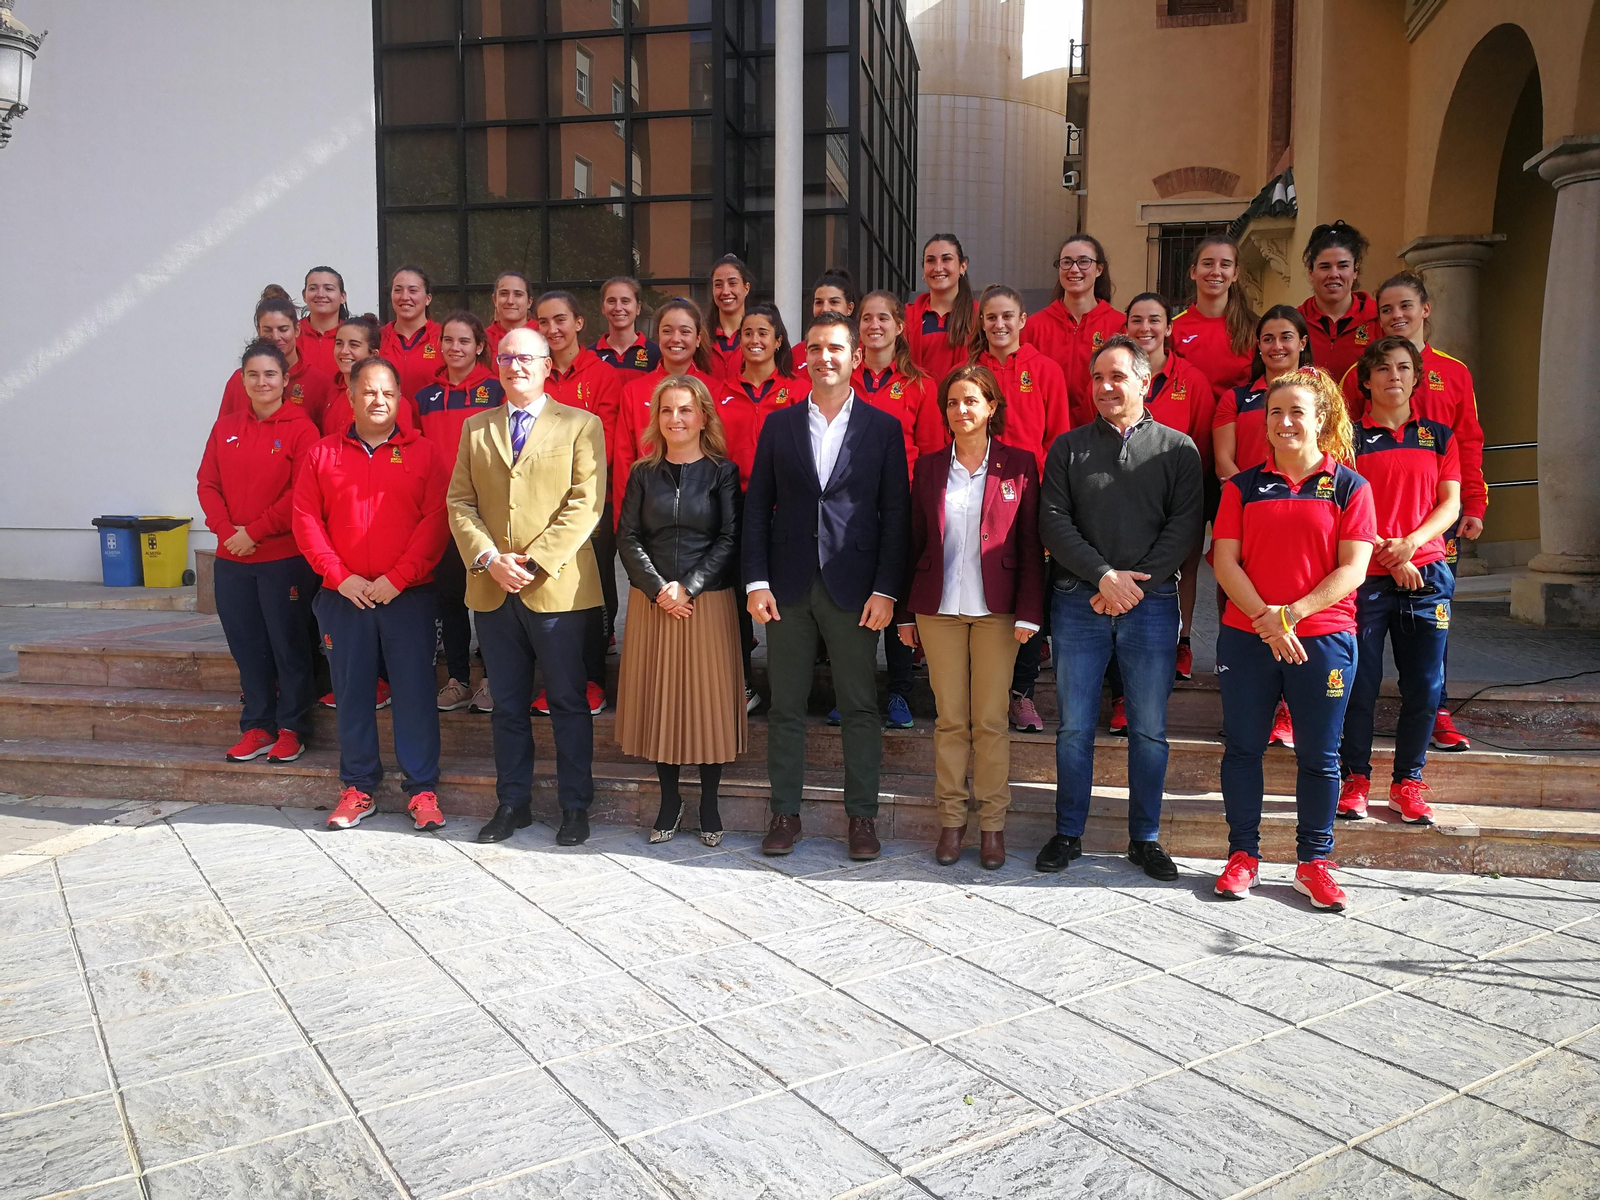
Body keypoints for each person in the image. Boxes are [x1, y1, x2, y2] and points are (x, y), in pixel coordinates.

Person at [1034, 335, 1203, 880]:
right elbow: (1053, 522)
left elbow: (1184, 529)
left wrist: (1135, 586)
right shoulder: (1068, 448)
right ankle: (1068, 832)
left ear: (1144, 381)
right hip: (1079, 601)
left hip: (1151, 606)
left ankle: (1145, 838)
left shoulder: (1178, 449)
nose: (1106, 387)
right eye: (1098, 378)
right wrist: (1104, 577)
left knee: (1149, 728)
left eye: (1118, 377)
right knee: (1075, 727)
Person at [745, 312, 910, 862]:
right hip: (788, 585)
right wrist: (757, 581)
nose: (824, 357)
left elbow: (896, 516)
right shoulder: (779, 425)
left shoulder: (883, 428)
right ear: (804, 358)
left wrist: (888, 589)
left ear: (854, 356)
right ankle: (784, 813)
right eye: (814, 347)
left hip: (855, 587)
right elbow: (755, 511)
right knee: (785, 706)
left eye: (835, 347)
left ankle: (861, 818)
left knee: (860, 706)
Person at [1211, 368, 1374, 912]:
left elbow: (1352, 569)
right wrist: (1266, 618)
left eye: (1297, 411)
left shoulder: (1351, 486)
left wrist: (1293, 615)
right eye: (1275, 413)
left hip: (1323, 639)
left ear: (1321, 418)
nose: (1284, 422)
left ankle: (1314, 863)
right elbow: (1226, 561)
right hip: (1247, 636)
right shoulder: (1242, 486)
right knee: (1242, 748)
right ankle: (1243, 857)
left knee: (1322, 757)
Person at [448, 326, 606, 847]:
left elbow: (586, 503)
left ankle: (574, 807)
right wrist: (490, 558)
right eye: (508, 357)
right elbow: (460, 503)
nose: (517, 366)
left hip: (556, 589)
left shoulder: (581, 425)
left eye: (527, 359)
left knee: (566, 700)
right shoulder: (476, 428)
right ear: (497, 365)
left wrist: (535, 562)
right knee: (508, 705)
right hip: (493, 589)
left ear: (546, 366)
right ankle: (512, 803)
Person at [292, 356, 452, 834]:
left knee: (415, 694)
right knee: (353, 694)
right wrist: (340, 577)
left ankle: (421, 789)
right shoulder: (322, 454)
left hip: (407, 597)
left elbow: (436, 520)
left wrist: (399, 577)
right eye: (369, 391)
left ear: (399, 399)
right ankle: (358, 787)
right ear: (351, 395)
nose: (379, 400)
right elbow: (306, 520)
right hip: (345, 598)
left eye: (388, 392)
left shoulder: (424, 454)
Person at [897, 365, 1043, 870]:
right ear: (945, 413)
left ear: (992, 408)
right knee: (950, 720)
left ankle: (994, 828)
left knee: (990, 721)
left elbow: (1028, 546)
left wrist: (1029, 612)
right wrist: (904, 611)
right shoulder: (931, 468)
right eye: (954, 402)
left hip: (997, 613)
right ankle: (952, 821)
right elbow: (913, 540)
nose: (963, 409)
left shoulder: (1020, 465)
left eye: (972, 401)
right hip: (937, 609)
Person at [1340, 270, 1487, 752]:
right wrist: (1387, 550)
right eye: (1386, 309)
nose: (1396, 315)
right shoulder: (1355, 402)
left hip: (1429, 540)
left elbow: (1468, 442)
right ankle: (1354, 774)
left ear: (1425, 309)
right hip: (1370, 551)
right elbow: (1344, 484)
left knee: (1425, 666)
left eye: (1405, 306)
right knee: (1361, 674)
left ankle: (1435, 720)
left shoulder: (1455, 373)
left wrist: (1474, 502)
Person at [616, 375, 747, 845]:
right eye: (667, 411)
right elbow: (627, 537)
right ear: (657, 419)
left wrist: (688, 587)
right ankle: (670, 800)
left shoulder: (721, 472)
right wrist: (659, 590)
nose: (676, 419)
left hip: (706, 602)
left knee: (706, 703)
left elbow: (731, 538)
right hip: (655, 605)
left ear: (703, 416)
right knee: (663, 702)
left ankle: (709, 801)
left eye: (686, 410)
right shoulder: (641, 473)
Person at [1338, 337, 1460, 826]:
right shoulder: (1348, 438)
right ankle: (1356, 779)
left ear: (1416, 378)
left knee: (1425, 686)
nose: (1393, 376)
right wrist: (1391, 553)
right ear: (1365, 380)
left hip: (1427, 574)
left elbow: (1449, 504)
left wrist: (1410, 544)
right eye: (1383, 368)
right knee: (1359, 685)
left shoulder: (1438, 436)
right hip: (1365, 576)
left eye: (1403, 368)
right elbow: (1342, 507)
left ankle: (1408, 781)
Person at [198, 341, 322, 765]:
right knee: (246, 647)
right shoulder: (226, 427)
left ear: (286, 380)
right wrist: (226, 532)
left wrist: (255, 531)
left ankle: (292, 728)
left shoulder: (302, 428)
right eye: (253, 374)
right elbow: (207, 484)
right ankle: (257, 726)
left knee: (288, 646)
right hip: (232, 561)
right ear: (243, 380)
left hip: (282, 559)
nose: (262, 382)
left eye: (270, 374)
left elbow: (301, 493)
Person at [965, 284, 1071, 736]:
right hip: (977, 499)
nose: (999, 324)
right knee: (979, 588)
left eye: (1008, 315)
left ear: (1024, 319)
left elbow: (1058, 438)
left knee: (1030, 597)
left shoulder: (1046, 370)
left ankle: (1021, 693)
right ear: (982, 322)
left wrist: (1050, 497)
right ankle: (976, 690)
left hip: (1031, 499)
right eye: (991, 317)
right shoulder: (970, 373)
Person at [1213, 305, 1315, 749]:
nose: (1277, 346)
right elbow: (1223, 461)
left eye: (1286, 337)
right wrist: (1255, 498)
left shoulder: (1321, 397)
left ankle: (1289, 713)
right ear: (1258, 345)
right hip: (1247, 516)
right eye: (1268, 338)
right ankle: (1247, 709)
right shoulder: (1236, 398)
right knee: (1240, 611)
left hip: (1307, 516)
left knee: (1298, 610)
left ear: (1302, 342)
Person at [856, 289, 947, 729]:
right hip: (848, 511)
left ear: (899, 326)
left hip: (901, 510)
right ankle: (850, 693)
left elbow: (931, 454)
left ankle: (899, 693)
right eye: (866, 318)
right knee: (852, 602)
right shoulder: (840, 381)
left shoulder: (920, 385)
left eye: (883, 318)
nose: (874, 325)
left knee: (897, 603)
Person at [535, 291, 623, 716]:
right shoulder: (533, 374)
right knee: (545, 588)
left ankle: (592, 680)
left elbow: (601, 441)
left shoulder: (603, 375)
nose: (553, 329)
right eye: (544, 322)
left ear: (579, 323)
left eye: (560, 320)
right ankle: (554, 680)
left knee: (593, 588)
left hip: (589, 501)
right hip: (538, 502)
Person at [415, 310, 505, 716]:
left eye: (464, 341)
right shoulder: (424, 397)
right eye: (448, 340)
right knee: (449, 598)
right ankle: (458, 679)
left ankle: (490, 678)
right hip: (441, 512)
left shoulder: (497, 390)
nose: (454, 348)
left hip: (484, 513)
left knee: (489, 596)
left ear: (480, 346)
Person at [1123, 292, 1214, 691]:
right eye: (1137, 321)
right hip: (1129, 496)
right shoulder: (1118, 374)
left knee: (1185, 567)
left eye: (1154, 320)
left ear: (1169, 328)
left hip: (1180, 494)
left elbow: (1204, 444)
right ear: (1125, 328)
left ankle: (1183, 640)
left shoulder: (1191, 379)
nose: (1146, 328)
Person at [1021, 234, 1127, 428]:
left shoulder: (1119, 325)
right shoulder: (1033, 326)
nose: (1074, 269)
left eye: (1083, 262)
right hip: (1047, 434)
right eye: (1067, 262)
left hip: (1102, 433)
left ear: (1099, 269)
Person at [218, 295, 331, 428]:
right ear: (258, 331)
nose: (276, 337)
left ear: (297, 330)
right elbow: (224, 432)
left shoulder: (320, 383)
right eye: (268, 330)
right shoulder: (239, 380)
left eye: (283, 329)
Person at [1171, 236, 1256, 403]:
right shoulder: (1173, 328)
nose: (1216, 271)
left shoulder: (1254, 328)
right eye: (1208, 264)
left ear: (1235, 274)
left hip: (1236, 425)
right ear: (1193, 272)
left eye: (1225, 265)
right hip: (1188, 426)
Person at [1297, 221, 1378, 385]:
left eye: (1343, 266)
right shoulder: (1294, 322)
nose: (1334, 274)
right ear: (1311, 273)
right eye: (1325, 267)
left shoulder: (1379, 319)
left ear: (1355, 271)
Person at [905, 233, 977, 388]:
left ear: (962, 266)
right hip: (916, 406)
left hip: (964, 407)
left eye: (946, 259)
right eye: (930, 260)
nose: (938, 268)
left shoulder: (981, 316)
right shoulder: (904, 317)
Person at [730, 303, 810, 418]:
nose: (755, 340)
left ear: (778, 341)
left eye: (763, 334)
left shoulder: (800, 390)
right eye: (748, 334)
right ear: (740, 340)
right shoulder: (721, 393)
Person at [379, 266, 444, 403]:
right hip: (386, 422)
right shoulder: (378, 337)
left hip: (431, 421)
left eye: (413, 291)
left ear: (428, 298)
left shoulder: (443, 337)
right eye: (398, 290)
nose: (404, 297)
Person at [593, 276, 662, 375]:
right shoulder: (590, 356)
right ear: (603, 308)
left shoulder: (656, 354)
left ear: (638, 308)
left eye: (625, 301)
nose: (618, 308)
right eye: (611, 301)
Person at [793, 268, 858, 369]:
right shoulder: (796, 353)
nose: (825, 309)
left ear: (850, 308)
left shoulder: (864, 351)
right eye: (819, 302)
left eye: (834, 302)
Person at [297, 266, 349, 379]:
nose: (320, 294)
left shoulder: (355, 335)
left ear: (342, 297)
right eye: (313, 288)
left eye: (328, 289)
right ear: (304, 296)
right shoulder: (291, 334)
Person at [708, 254, 753, 378]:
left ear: (746, 288)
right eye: (718, 285)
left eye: (732, 283)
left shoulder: (759, 337)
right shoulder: (701, 338)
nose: (726, 291)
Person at [485, 270, 533, 361]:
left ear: (529, 302)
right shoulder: (484, 339)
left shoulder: (543, 333)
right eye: (504, 294)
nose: (510, 301)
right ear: (495, 300)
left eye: (518, 295)